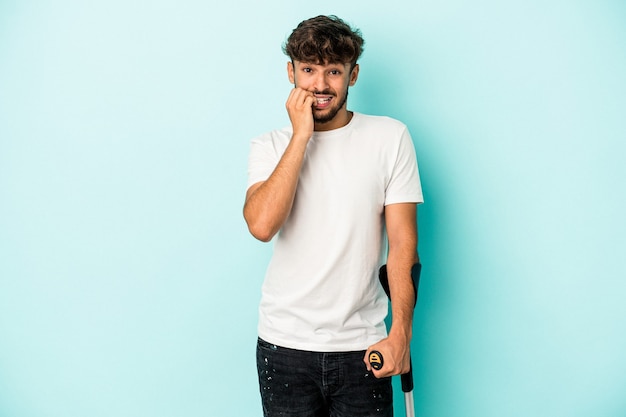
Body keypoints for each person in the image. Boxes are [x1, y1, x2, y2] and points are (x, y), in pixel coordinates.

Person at [244, 15, 423, 417]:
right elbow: (261, 225)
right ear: (291, 71)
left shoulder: (389, 138)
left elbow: (403, 246)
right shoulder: (270, 146)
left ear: (352, 75)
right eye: (308, 70)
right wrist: (301, 136)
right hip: (284, 346)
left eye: (333, 71)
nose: (320, 85)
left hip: (362, 347)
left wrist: (400, 337)